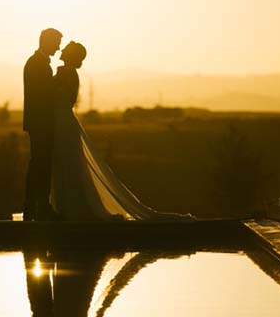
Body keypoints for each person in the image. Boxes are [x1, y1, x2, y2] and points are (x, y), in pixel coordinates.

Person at [49, 41, 194, 221]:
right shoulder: (68, 73)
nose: (61, 50)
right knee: (68, 164)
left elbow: (58, 96)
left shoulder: (66, 73)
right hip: (61, 121)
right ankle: (70, 207)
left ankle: (74, 207)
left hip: (62, 122)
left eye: (66, 49)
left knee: (69, 163)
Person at [23, 28, 63, 221]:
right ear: (47, 42)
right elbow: (42, 94)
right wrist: (59, 81)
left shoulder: (36, 63)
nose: (58, 47)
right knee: (41, 164)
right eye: (56, 42)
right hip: (40, 123)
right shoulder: (37, 64)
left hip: (38, 122)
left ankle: (33, 206)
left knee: (38, 164)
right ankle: (40, 206)